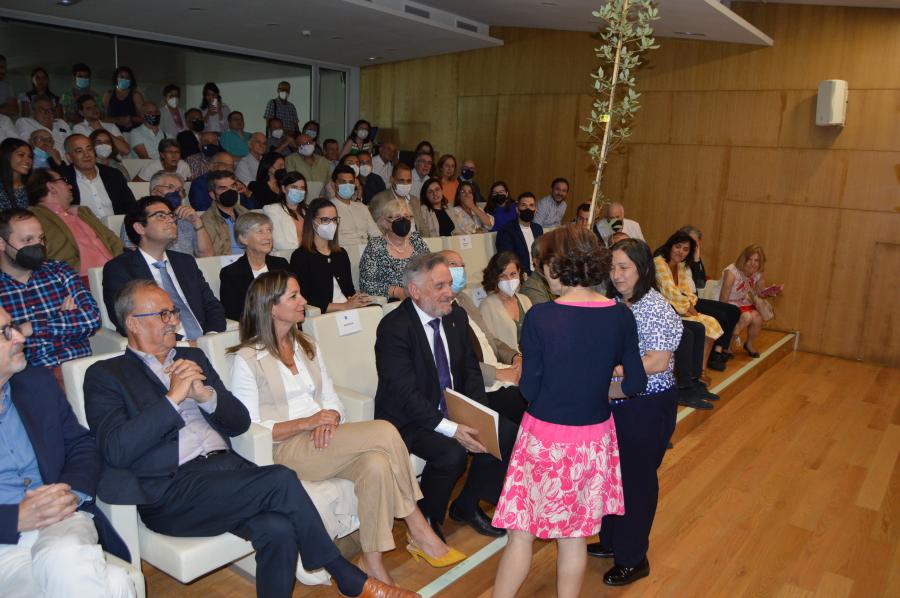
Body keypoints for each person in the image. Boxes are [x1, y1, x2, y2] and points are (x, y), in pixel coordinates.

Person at [84, 279, 418, 598]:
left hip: (226, 473)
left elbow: (239, 421)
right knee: (280, 479)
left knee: (278, 530)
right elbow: (116, 449)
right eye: (163, 314)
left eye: (173, 312)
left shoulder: (193, 358)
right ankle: (346, 576)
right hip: (171, 490)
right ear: (134, 324)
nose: (174, 321)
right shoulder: (106, 375)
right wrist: (172, 399)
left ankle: (344, 576)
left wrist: (206, 397)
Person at [229, 270, 465, 584]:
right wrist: (307, 422)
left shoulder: (306, 344)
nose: (304, 301)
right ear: (271, 308)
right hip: (285, 448)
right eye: (294, 296)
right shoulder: (247, 359)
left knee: (377, 464)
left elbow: (331, 396)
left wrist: (331, 417)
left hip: (325, 439)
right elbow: (248, 426)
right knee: (384, 431)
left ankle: (372, 562)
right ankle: (417, 524)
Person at [491, 225, 647, 598]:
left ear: (557, 266)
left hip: (544, 437)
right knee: (574, 537)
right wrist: (596, 389)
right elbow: (634, 383)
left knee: (521, 532)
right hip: (593, 438)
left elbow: (529, 390)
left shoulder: (541, 317)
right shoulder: (621, 316)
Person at [374, 253, 517, 541]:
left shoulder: (456, 317)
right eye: (439, 286)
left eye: (449, 284)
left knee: (505, 434)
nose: (449, 293)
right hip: (408, 418)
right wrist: (452, 428)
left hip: (451, 407)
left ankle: (467, 504)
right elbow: (405, 394)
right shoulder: (393, 328)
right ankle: (428, 516)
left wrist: (480, 415)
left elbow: (469, 372)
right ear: (415, 291)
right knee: (451, 452)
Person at [0, 305, 135, 598]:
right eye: (4, 333)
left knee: (65, 555)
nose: (20, 337)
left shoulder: (35, 384)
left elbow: (81, 445)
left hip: (61, 521)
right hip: (3, 543)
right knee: (115, 584)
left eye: (14, 326)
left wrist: (71, 493)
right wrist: (14, 519)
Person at [589, 238, 682, 586]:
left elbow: (657, 362)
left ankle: (633, 558)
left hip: (647, 407)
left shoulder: (654, 307)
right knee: (615, 475)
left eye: (623, 267)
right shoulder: (617, 303)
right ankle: (612, 540)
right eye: (612, 267)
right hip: (619, 403)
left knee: (637, 482)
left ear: (642, 269)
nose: (616, 274)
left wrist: (609, 369)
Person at [0, 209, 100, 384]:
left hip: (80, 369)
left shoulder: (58, 269)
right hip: (30, 380)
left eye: (41, 239)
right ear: (2, 243)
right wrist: (63, 320)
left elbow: (92, 318)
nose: (38, 246)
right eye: (27, 240)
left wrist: (29, 328)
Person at [104, 197, 226, 339]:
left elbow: (211, 305)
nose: (171, 220)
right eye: (161, 216)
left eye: (171, 215)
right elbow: (127, 322)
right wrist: (181, 343)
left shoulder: (185, 262)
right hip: (163, 347)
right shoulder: (120, 269)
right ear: (140, 227)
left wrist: (210, 337)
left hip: (205, 339)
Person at [439, 250, 528, 424]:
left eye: (462, 265)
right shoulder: (440, 310)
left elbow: (489, 340)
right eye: (453, 265)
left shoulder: (464, 299)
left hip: (499, 369)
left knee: (541, 388)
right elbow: (456, 362)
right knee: (524, 403)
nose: (460, 270)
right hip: (481, 383)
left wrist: (515, 357)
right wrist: (498, 373)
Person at [654, 231, 737, 372]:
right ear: (670, 245)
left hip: (684, 305)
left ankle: (701, 369)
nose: (681, 252)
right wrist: (689, 305)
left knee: (716, 321)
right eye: (678, 246)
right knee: (707, 323)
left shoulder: (680, 265)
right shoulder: (659, 262)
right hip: (668, 308)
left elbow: (689, 291)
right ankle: (697, 371)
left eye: (685, 249)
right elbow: (670, 292)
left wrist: (690, 304)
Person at [27, 168, 123, 278]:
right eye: (64, 181)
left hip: (115, 271)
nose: (70, 186)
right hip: (80, 279)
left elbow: (113, 240)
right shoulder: (35, 217)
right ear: (51, 187)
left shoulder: (83, 212)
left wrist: (121, 264)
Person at [289, 198, 372, 314]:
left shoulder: (341, 254)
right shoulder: (300, 256)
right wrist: (344, 306)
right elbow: (305, 298)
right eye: (325, 220)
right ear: (312, 222)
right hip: (325, 315)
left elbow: (349, 290)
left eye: (334, 219)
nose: (331, 224)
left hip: (348, 310)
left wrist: (356, 300)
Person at [119, 171, 212, 257]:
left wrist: (197, 222)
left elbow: (207, 256)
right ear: (155, 192)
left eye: (180, 190)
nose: (176, 193)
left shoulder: (186, 218)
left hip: (185, 270)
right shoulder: (138, 216)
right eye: (170, 187)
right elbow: (132, 256)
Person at [218, 212, 289, 321]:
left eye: (269, 230)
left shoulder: (281, 264)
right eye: (260, 231)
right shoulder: (231, 273)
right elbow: (233, 314)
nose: (268, 237)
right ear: (243, 239)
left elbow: (293, 298)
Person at [359, 199, 429, 301]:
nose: (404, 221)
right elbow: (367, 285)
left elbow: (431, 269)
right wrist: (397, 291)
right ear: (385, 223)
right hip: (392, 302)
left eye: (407, 217)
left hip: (421, 297)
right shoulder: (376, 245)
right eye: (397, 217)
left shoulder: (416, 240)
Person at [720, 245, 782, 358]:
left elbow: (759, 293)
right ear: (743, 259)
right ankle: (726, 346)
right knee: (746, 317)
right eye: (750, 259)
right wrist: (725, 316)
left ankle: (748, 344)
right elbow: (723, 298)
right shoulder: (732, 271)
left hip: (740, 301)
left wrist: (770, 292)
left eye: (757, 260)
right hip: (726, 301)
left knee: (757, 318)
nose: (753, 263)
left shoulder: (758, 273)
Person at [59, 133, 136, 220]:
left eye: (89, 149)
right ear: (69, 157)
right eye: (79, 151)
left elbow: (131, 207)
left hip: (116, 227)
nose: (87, 155)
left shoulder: (113, 175)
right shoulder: (63, 180)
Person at [479, 252, 533, 353]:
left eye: (513, 274)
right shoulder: (487, 306)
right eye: (503, 276)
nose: (509, 280)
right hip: (508, 364)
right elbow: (489, 345)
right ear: (495, 278)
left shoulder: (525, 300)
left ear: (519, 272)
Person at [329, 165, 381, 248]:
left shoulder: (362, 208)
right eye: (343, 182)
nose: (348, 185)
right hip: (344, 253)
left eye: (351, 182)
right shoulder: (327, 209)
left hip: (366, 253)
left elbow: (376, 234)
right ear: (333, 185)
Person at [200, 170, 251, 256]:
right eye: (223, 188)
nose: (230, 191)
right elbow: (209, 255)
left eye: (232, 186)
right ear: (212, 194)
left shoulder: (246, 213)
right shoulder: (206, 220)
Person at [495, 192, 543, 274]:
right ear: (517, 209)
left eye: (531, 205)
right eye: (524, 205)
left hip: (540, 273)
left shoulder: (538, 229)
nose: (528, 209)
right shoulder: (506, 231)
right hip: (521, 275)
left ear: (535, 211)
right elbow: (507, 260)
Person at [368, 163, 424, 234]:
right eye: (401, 180)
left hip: (416, 241)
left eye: (408, 180)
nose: (405, 184)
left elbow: (422, 227)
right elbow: (376, 230)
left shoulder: (415, 200)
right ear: (392, 180)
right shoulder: (380, 200)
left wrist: (430, 243)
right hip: (393, 242)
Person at [189, 153, 253, 212]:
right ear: (212, 166)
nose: (228, 169)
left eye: (231, 167)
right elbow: (202, 209)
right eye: (224, 165)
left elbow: (252, 210)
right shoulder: (200, 183)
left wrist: (247, 193)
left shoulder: (236, 182)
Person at [263, 171, 307, 251]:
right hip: (285, 257)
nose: (299, 191)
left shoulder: (308, 211)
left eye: (302, 188)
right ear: (283, 189)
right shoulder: (272, 209)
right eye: (294, 187)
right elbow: (278, 242)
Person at [103, 66, 143, 133]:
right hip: (113, 133)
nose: (124, 79)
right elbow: (103, 118)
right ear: (116, 78)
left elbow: (143, 119)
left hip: (132, 133)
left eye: (127, 78)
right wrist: (119, 120)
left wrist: (130, 119)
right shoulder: (108, 95)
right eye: (121, 77)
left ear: (131, 80)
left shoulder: (136, 95)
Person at [519, 241, 556, 305]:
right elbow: (547, 313)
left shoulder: (557, 279)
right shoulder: (530, 287)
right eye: (547, 258)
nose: (553, 262)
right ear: (536, 261)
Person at [0, 139, 31, 210]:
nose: (27, 160)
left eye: (30, 156)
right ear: (7, 156)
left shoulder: (32, 186)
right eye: (21, 155)